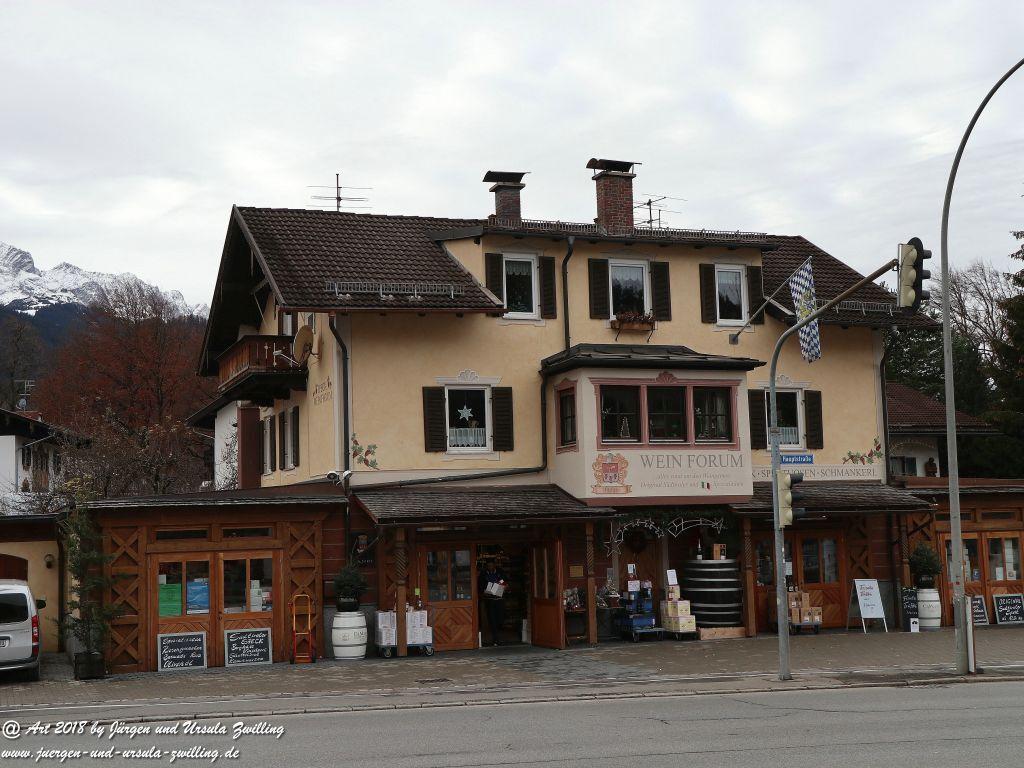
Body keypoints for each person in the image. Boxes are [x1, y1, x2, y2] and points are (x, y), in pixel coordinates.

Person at [479, 558, 507, 646]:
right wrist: (486, 589)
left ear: (495, 565)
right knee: (492, 619)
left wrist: (499, 584)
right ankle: (496, 638)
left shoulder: (500, 571)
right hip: (489, 600)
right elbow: (481, 584)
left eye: (491, 565)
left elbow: (504, 580)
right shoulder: (483, 573)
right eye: (488, 566)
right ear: (486, 566)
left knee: (500, 618)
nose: (490, 567)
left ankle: (497, 633)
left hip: (499, 599)